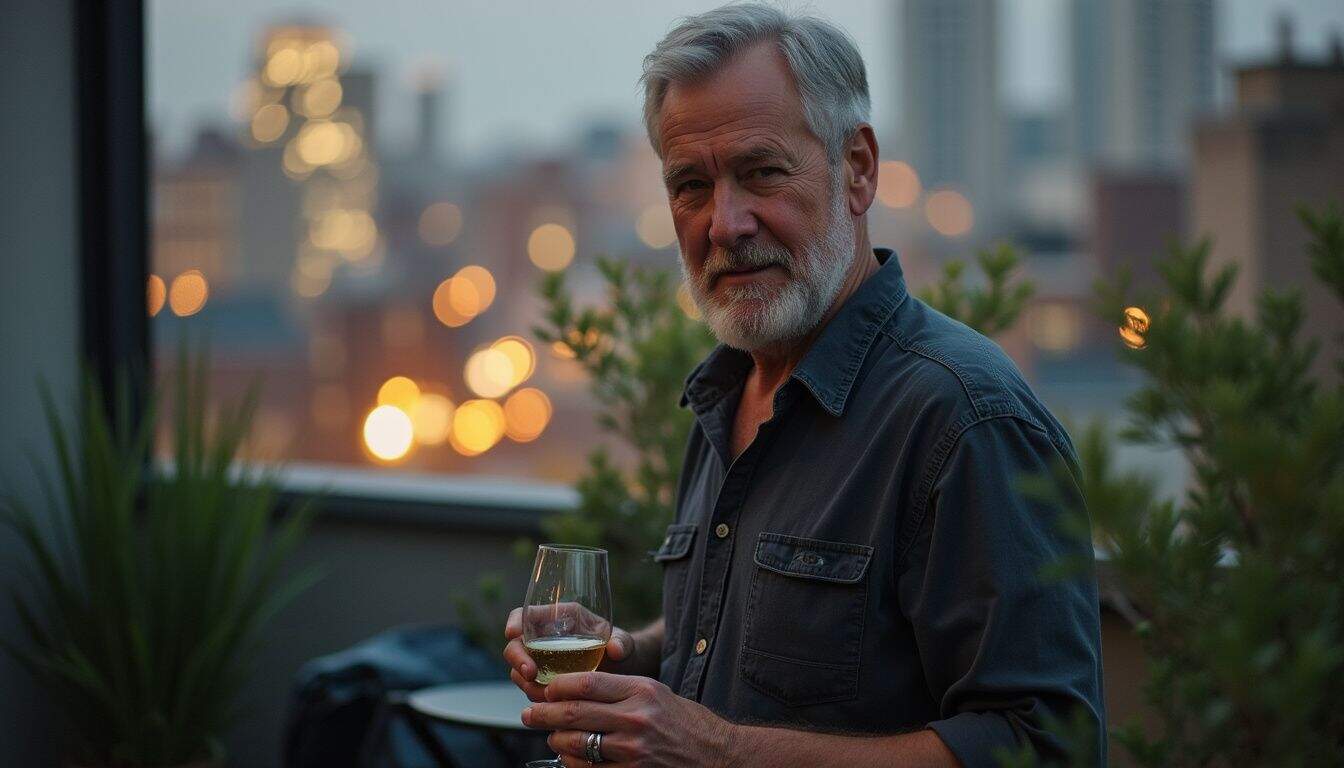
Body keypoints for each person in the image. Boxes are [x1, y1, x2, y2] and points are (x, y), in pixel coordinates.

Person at [503, 5, 1105, 766]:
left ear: (857, 170)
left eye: (761, 172)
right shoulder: (726, 396)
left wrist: (717, 751)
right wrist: (630, 656)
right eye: (691, 185)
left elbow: (1046, 748)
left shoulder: (966, 421)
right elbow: (762, 645)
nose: (725, 223)